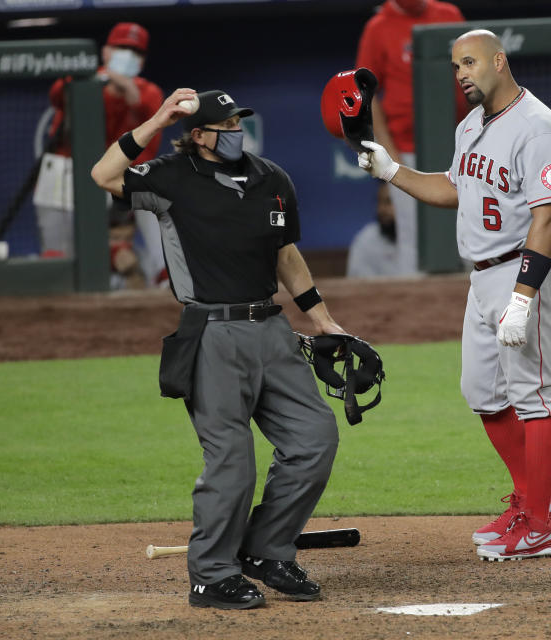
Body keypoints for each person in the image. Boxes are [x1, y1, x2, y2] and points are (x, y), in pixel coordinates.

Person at [91, 88, 345, 609]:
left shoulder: (272, 179)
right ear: (199, 134)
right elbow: (103, 174)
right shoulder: (170, 178)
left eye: (239, 122)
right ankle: (210, 573)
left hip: (272, 329)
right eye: (225, 125)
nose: (236, 130)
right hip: (213, 333)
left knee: (314, 438)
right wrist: (159, 117)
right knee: (231, 460)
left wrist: (318, 315)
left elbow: (286, 253)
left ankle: (267, 552)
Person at [358, 29, 551, 561]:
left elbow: (548, 218)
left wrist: (524, 296)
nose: (462, 74)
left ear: (499, 62)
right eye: (456, 66)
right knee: (481, 391)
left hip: (527, 270)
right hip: (481, 277)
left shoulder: (539, 128)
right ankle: (530, 502)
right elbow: (457, 188)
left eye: (471, 63)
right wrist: (391, 170)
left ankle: (539, 525)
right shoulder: (471, 126)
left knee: (533, 392)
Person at [38, 22, 168, 287]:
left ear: (142, 61)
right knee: (62, 263)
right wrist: (105, 86)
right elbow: (56, 94)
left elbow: (144, 159)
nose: (128, 56)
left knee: (153, 186)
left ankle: (165, 274)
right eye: (121, 48)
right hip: (68, 180)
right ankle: (71, 269)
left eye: (136, 52)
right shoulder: (81, 81)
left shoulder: (149, 94)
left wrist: (133, 100)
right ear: (106, 52)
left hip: (112, 184)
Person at [355, 0, 465, 275]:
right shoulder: (378, 27)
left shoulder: (448, 14)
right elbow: (365, 94)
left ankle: (471, 306)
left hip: (455, 144)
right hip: (406, 148)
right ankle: (417, 310)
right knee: (414, 235)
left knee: (465, 228)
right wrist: (389, 152)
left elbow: (474, 71)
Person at [346, 181, 400, 278]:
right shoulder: (366, 240)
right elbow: (358, 286)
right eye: (379, 202)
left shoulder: (421, 238)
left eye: (389, 202)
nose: (381, 209)